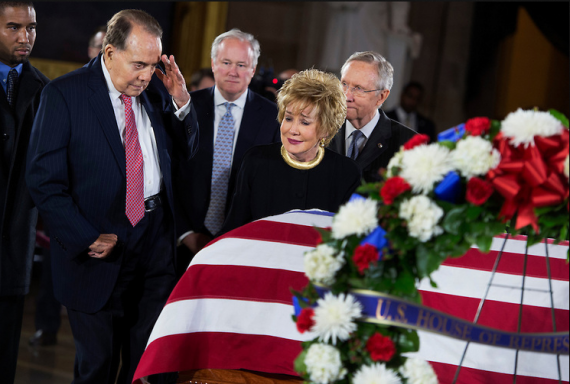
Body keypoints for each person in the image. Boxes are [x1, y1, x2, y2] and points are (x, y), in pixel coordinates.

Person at [26, 9, 199, 383]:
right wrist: (85, 235)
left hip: (155, 243)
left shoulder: (156, 91)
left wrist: (182, 104)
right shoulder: (64, 94)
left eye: (153, 65)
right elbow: (43, 181)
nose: (146, 75)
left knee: (145, 367)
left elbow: (187, 156)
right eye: (139, 64)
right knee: (98, 367)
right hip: (97, 248)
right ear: (108, 53)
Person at [176, 28, 280, 258]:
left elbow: (271, 187)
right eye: (226, 62)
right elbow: (169, 174)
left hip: (243, 246)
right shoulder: (186, 107)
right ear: (213, 64)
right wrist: (185, 233)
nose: (233, 71)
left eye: (241, 65)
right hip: (182, 242)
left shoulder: (274, 118)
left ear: (252, 70)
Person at [220, 69, 361, 234]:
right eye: (288, 118)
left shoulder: (346, 173)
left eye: (305, 122)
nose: (292, 130)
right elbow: (233, 230)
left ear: (326, 130)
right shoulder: (256, 160)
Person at [0, 2, 49, 382]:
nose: (24, 37)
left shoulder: (45, 92)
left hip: (14, 243)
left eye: (30, 27)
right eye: (13, 27)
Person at [329, 51, 416, 183]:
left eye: (358, 88)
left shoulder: (408, 144)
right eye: (344, 84)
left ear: (381, 97)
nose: (347, 96)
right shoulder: (320, 129)